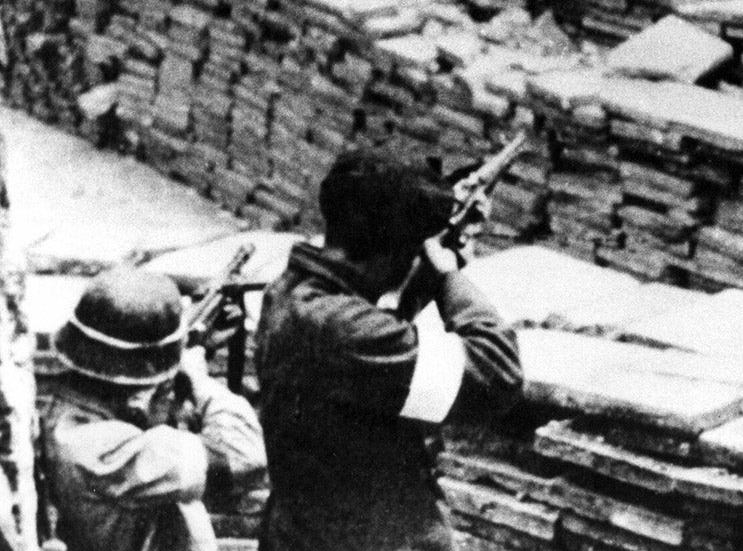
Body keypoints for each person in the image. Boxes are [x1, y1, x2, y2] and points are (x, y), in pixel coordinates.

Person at [255, 149, 523, 551]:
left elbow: (380, 344)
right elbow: (497, 373)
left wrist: (424, 271)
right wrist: (447, 275)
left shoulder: (294, 293)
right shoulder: (341, 331)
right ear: (397, 250)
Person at [41, 268, 268, 551]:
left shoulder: (69, 409)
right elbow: (245, 453)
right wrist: (198, 377)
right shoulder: (99, 446)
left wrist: (197, 351)